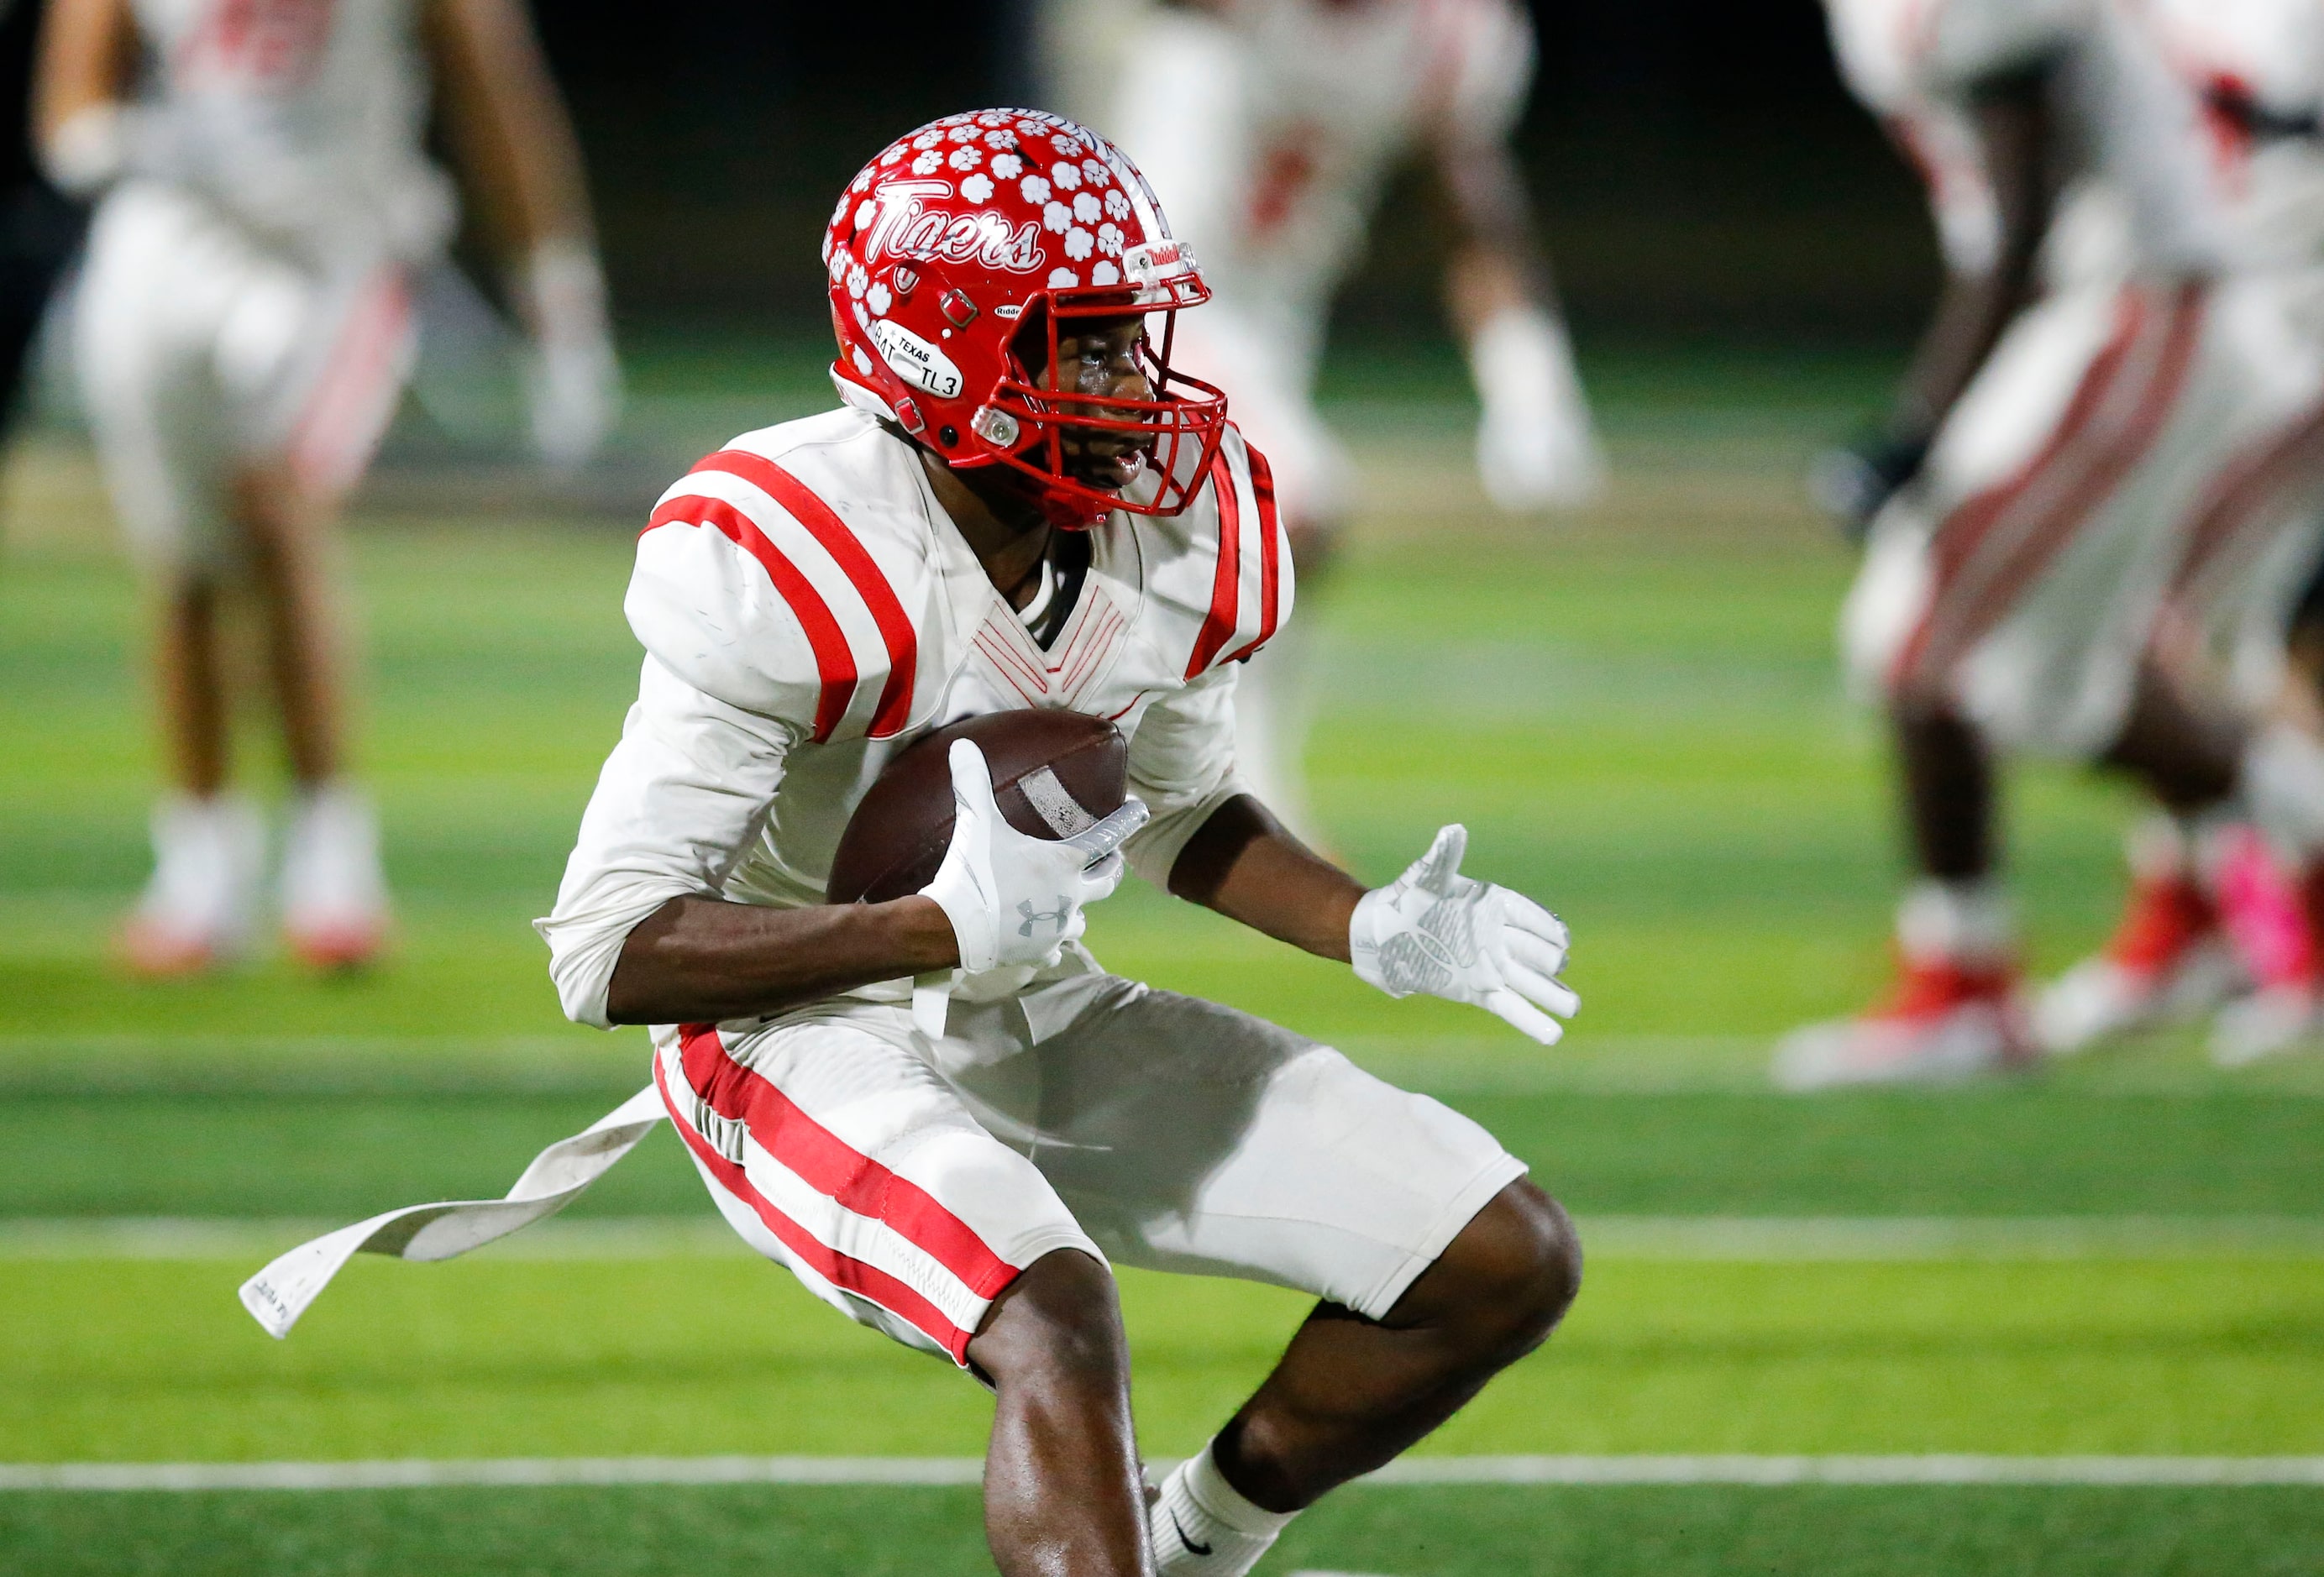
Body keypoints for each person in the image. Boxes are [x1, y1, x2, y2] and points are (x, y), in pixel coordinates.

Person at [538, 110, 1582, 1577]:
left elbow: (1176, 802)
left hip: (1023, 996)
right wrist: (930, 929)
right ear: (939, 349)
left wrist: (1364, 924)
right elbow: (608, 950)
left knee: (1493, 1254)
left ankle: (1191, 1547)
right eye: (1085, 343)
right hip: (782, 1030)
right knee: (1054, 1311)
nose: (1138, 383)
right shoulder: (794, 549)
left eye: (1134, 337)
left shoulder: (1172, 527)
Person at [1781, 0, 2324, 1087]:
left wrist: (1915, 430)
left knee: (1915, 629)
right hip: (2131, 301)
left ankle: (1965, 984)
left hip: (2137, 301)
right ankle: (2153, 921)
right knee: (2059, 681)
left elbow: (2021, 222)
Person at [35, 0, 619, 975]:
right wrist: (116, 143)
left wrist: (560, 302)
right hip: (166, 241)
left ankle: (330, 864)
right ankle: (200, 873)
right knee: (183, 559)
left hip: (331, 250)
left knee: (276, 504)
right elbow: (72, 97)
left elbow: (496, 103)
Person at [1048, 0, 1603, 836]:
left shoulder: (1444, 35)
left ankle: (1176, 781)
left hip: (1271, 317)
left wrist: (1527, 381)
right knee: (1289, 501)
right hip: (1145, 291)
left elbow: (1469, 211)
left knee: (1206, 556)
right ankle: (1224, 795)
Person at [2032, 0, 2324, 1064]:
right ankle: (2213, 921)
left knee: (2153, 621)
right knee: (2220, 631)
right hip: (2221, 328)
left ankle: (2243, 928)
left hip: (2279, 322)